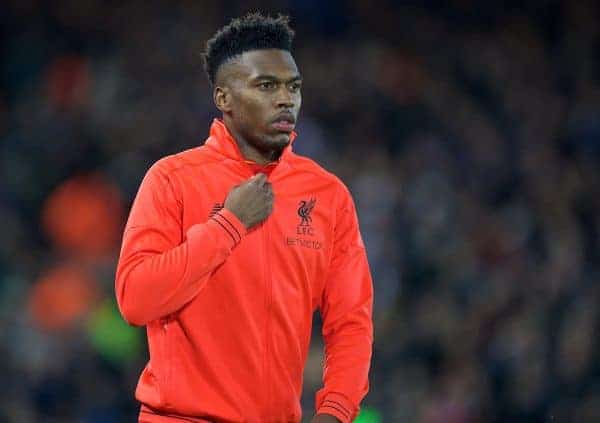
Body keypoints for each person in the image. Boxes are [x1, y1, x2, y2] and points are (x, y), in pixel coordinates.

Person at [115, 12, 373, 423]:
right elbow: (135, 299)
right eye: (266, 86)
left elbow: (351, 323)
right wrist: (228, 225)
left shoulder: (327, 196)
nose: (285, 99)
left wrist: (337, 410)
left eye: (294, 87)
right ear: (224, 98)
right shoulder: (172, 180)